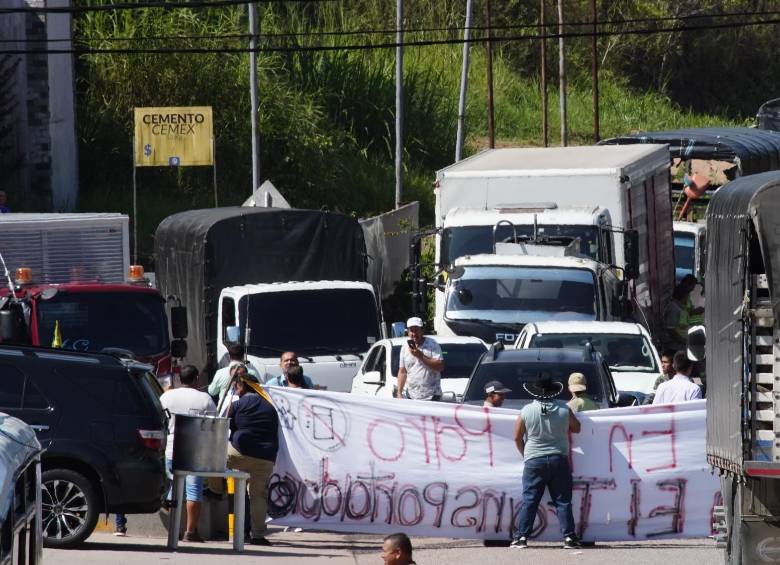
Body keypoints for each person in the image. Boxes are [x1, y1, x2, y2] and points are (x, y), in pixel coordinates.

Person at [512, 372, 581, 549]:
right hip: (559, 458)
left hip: (534, 459)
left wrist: (526, 454)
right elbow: (577, 428)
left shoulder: (526, 410)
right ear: (553, 391)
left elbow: (517, 437)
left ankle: (522, 537)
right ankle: (569, 537)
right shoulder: (564, 409)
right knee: (563, 500)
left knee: (530, 500)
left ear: (534, 391)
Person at [211, 373, 279, 545]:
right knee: (258, 496)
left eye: (236, 387)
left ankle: (216, 489)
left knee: (212, 458)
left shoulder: (237, 405)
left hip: (239, 454)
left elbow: (223, 427)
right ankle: (258, 535)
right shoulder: (271, 407)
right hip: (265, 458)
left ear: (241, 386)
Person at [160, 365, 217, 542]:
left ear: (179, 379)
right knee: (194, 491)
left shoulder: (166, 396)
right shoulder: (204, 398)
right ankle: (190, 532)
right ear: (197, 379)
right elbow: (213, 426)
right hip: (195, 452)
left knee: (172, 489)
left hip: (170, 448)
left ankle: (173, 529)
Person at [396, 317, 444, 400]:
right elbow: (402, 371)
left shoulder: (433, 344)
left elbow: (440, 367)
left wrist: (420, 356)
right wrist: (399, 393)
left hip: (432, 397)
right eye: (411, 330)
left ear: (422, 331)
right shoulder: (404, 348)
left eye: (416, 330)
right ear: (407, 332)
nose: (414, 334)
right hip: (411, 397)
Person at [663, 285, 691, 352]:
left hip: (682, 345)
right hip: (676, 347)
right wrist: (684, 341)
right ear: (683, 296)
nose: (688, 298)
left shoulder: (680, 307)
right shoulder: (674, 308)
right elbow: (671, 330)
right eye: (687, 296)